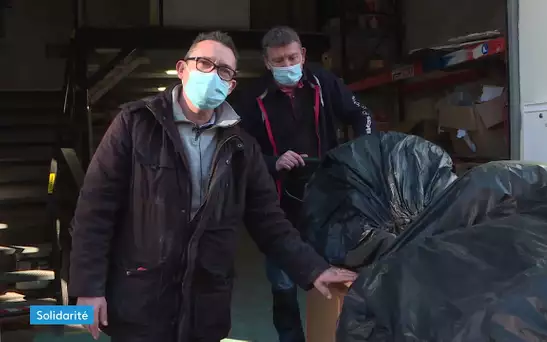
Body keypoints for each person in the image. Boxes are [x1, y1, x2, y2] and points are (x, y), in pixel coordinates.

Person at [68, 31, 357, 342]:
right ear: (182, 69)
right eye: (204, 63)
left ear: (230, 85)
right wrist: (88, 289)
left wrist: (314, 269)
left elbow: (269, 221)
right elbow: (95, 210)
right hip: (141, 302)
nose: (213, 74)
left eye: (224, 71)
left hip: (205, 308)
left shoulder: (241, 146)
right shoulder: (135, 125)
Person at [232, 26, 375, 342]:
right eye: (279, 60)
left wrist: (360, 153)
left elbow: (360, 113)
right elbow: (237, 146)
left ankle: (335, 333)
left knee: (337, 274)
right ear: (267, 63)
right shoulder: (251, 98)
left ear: (303, 56)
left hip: (329, 200)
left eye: (292, 58)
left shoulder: (323, 83)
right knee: (283, 282)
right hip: (278, 203)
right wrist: (273, 161)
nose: (287, 65)